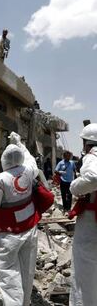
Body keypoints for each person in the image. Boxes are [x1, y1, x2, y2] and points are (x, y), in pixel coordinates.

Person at [0, 132, 39, 306]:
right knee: (27, 270)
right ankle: (25, 302)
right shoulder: (29, 170)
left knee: (8, 273)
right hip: (30, 228)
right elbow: (31, 159)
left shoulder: (1, 179)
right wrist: (20, 143)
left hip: (9, 234)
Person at [68, 123, 97, 306]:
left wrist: (75, 187)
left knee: (84, 269)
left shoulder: (92, 156)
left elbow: (93, 177)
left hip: (91, 222)